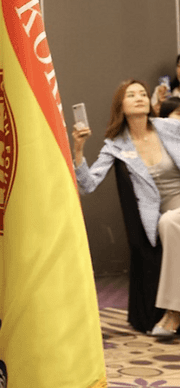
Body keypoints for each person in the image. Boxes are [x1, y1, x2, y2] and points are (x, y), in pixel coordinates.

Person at [73, 79, 180, 340]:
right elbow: (88, 185)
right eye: (131, 95)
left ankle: (173, 312)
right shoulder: (116, 146)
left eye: (143, 93)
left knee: (169, 222)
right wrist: (78, 150)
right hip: (163, 214)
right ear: (121, 105)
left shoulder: (170, 127)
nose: (140, 97)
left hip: (173, 214)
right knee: (168, 222)